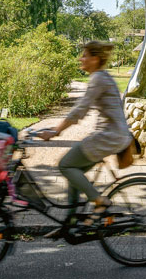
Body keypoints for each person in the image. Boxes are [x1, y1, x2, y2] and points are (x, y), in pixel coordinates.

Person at [34, 41, 132, 225]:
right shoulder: (102, 76)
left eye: (85, 55)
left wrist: (55, 131)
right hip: (113, 135)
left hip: (109, 137)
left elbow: (80, 110)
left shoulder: (98, 79)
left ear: (95, 59)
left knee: (65, 165)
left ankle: (99, 201)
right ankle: (70, 224)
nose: (82, 58)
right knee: (75, 172)